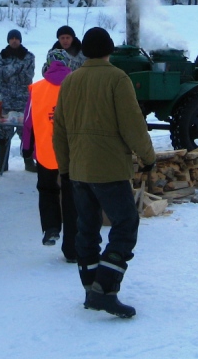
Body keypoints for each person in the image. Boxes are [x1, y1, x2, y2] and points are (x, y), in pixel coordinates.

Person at [53, 27, 156, 318]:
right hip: (109, 169)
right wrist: (147, 158)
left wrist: (65, 168)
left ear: (84, 51)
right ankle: (105, 288)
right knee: (125, 224)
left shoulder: (70, 82)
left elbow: (58, 130)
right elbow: (133, 125)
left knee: (87, 230)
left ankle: (90, 288)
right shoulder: (117, 79)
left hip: (78, 170)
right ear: (109, 50)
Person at [20, 59, 77, 262]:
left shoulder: (37, 89)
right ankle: (72, 249)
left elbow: (28, 122)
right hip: (72, 153)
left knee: (47, 191)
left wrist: (27, 147)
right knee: (72, 199)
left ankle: (51, 228)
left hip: (45, 151)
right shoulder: (75, 86)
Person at [0, 29, 36, 173]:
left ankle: (29, 162)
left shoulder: (29, 56)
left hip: (24, 101)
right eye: (12, 38)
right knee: (3, 132)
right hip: (5, 100)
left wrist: (7, 71)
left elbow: (27, 77)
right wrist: (17, 67)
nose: (14, 40)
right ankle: (2, 164)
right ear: (8, 40)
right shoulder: (1, 55)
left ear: (20, 40)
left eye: (17, 38)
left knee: (27, 132)